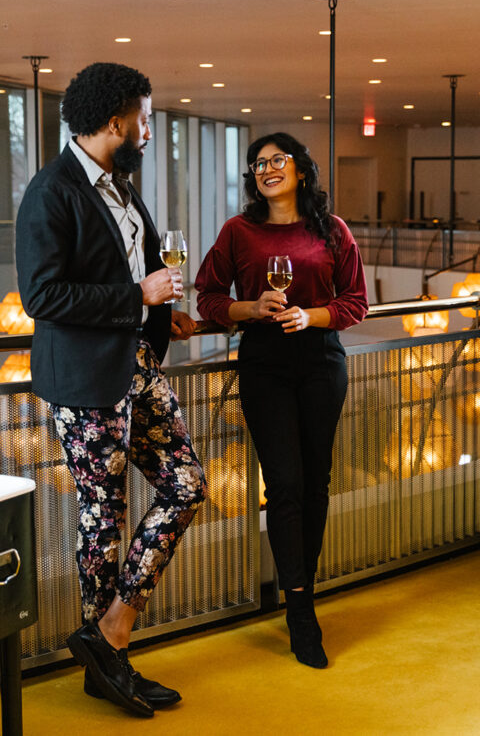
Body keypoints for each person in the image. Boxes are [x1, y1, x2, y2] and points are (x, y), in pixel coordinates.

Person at [16, 62, 206, 718]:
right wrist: (137, 296)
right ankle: (110, 668)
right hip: (84, 382)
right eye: (146, 119)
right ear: (116, 120)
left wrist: (158, 312)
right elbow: (41, 294)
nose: (149, 131)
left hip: (138, 363)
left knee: (188, 485)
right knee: (105, 520)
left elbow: (140, 265)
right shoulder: (50, 190)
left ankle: (111, 631)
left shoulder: (120, 185)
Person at [195, 132, 368, 669]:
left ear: (299, 169)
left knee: (316, 485)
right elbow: (208, 294)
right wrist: (251, 309)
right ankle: (299, 610)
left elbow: (356, 302)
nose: (266, 168)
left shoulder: (332, 230)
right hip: (266, 366)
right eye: (257, 163)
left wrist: (309, 315)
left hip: (321, 364)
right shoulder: (238, 232)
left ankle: (302, 593)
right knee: (286, 486)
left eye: (277, 160)